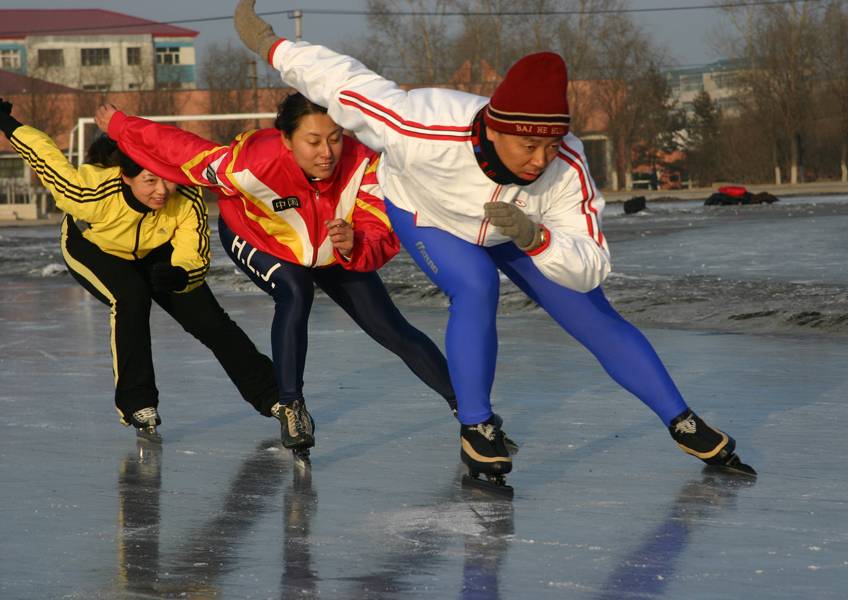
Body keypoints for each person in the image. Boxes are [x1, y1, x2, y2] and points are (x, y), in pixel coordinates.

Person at [232, 0, 756, 488]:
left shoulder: (567, 166)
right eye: (529, 145)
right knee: (476, 286)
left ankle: (682, 420)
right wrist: (270, 44)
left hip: (519, 230)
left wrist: (538, 236)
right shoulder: (423, 124)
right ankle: (477, 429)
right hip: (427, 213)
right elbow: (340, 80)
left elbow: (591, 265)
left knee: (591, 312)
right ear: (497, 128)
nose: (539, 159)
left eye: (550, 145)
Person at [93, 91, 463, 457]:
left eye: (335, 139)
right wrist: (121, 126)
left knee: (391, 328)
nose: (327, 153)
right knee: (295, 291)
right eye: (313, 141)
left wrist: (355, 243)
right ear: (287, 140)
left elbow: (380, 231)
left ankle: (471, 413)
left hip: (330, 248)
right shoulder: (250, 162)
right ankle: (292, 407)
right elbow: (182, 149)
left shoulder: (364, 166)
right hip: (258, 235)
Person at [0, 97, 298, 445]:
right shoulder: (88, 192)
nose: (163, 191)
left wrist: (181, 275)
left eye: (168, 180)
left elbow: (193, 252)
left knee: (210, 320)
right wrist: (7, 124)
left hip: (156, 250)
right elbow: (44, 153)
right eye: (150, 182)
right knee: (131, 297)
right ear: (126, 177)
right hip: (95, 247)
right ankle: (138, 403)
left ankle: (276, 398)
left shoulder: (185, 196)